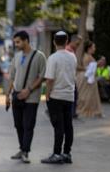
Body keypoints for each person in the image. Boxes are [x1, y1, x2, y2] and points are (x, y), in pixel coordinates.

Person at [5, 30, 47, 163]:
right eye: (15, 42)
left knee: (28, 124)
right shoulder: (17, 57)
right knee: (18, 124)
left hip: (32, 97)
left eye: (18, 42)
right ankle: (21, 148)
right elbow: (11, 76)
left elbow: (42, 76)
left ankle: (26, 152)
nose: (16, 44)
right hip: (16, 95)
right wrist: (7, 95)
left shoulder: (39, 56)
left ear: (26, 40)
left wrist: (29, 90)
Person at [41, 31, 77, 164]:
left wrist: (47, 94)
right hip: (69, 95)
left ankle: (56, 154)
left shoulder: (53, 58)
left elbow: (50, 79)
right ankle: (67, 153)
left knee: (58, 126)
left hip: (56, 96)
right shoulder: (72, 57)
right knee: (69, 126)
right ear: (67, 41)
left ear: (54, 42)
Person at [76, 40, 103, 118]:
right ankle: (86, 109)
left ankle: (92, 110)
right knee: (86, 95)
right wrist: (97, 63)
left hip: (89, 78)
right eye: (93, 47)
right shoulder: (87, 56)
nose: (95, 49)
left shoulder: (88, 56)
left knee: (91, 95)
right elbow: (88, 68)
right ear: (89, 48)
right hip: (86, 78)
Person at [66, 34, 82, 118]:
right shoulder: (69, 50)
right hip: (68, 77)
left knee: (74, 94)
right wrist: (84, 68)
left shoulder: (71, 50)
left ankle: (72, 112)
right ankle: (72, 113)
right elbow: (73, 65)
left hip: (70, 76)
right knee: (74, 94)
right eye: (77, 44)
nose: (78, 46)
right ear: (72, 41)